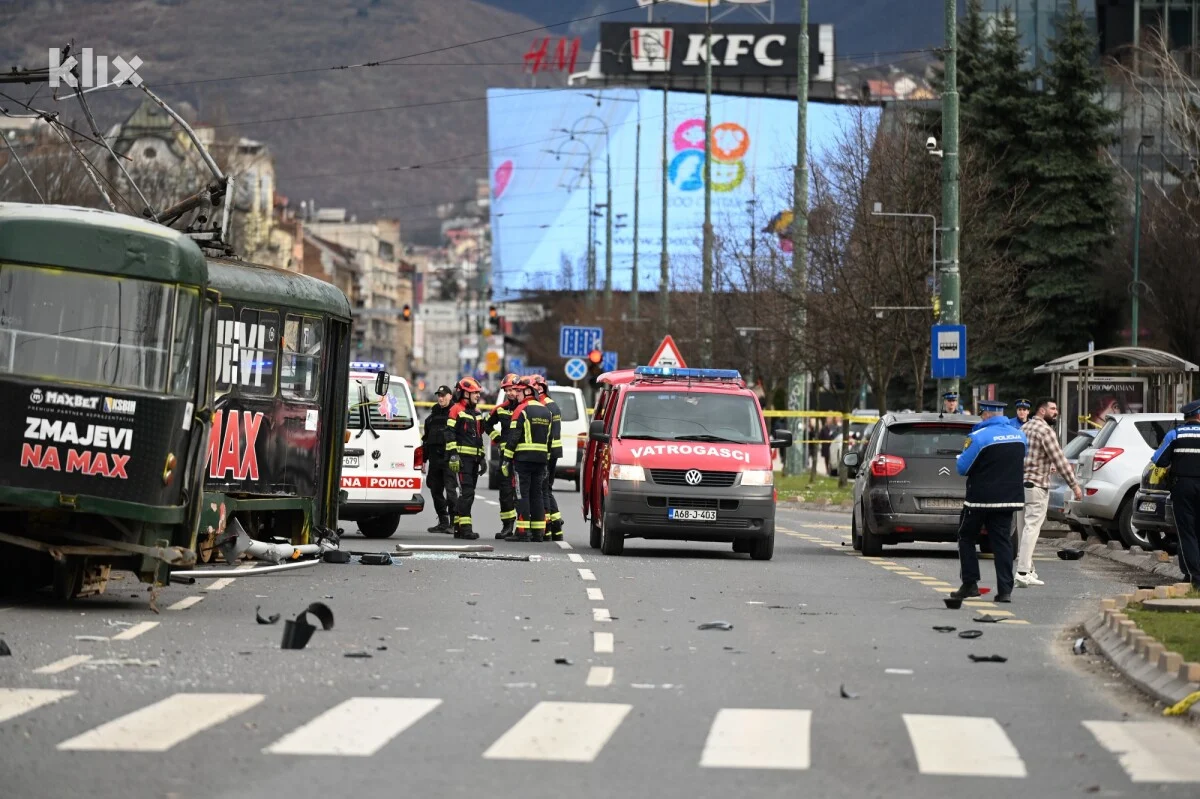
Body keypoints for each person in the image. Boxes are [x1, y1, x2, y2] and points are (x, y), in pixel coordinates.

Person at [953, 399, 1027, 603]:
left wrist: (960, 458)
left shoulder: (978, 437)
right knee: (1002, 542)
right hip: (1009, 499)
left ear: (986, 414)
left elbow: (962, 468)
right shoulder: (1020, 436)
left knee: (966, 537)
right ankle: (1005, 591)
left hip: (980, 500)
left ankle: (970, 583)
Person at [1015, 397, 1081, 587]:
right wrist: (1074, 485)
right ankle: (1021, 571)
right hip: (1037, 486)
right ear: (1042, 411)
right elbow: (1059, 459)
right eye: (1052, 409)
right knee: (1032, 530)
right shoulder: (1046, 431)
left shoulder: (1024, 428)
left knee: (1023, 530)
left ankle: (1030, 569)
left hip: (1021, 484)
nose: (1056, 412)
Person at [1150, 400, 1200, 590]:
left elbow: (1159, 460)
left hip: (1183, 487)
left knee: (1187, 533)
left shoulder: (1175, 434)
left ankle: (1194, 577)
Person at [501, 377, 553, 542]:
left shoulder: (520, 410)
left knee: (522, 494)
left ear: (527, 391)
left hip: (523, 460)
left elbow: (514, 437)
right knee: (537, 494)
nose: (516, 394)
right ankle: (538, 533)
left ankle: (523, 532)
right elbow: (549, 439)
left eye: (518, 391)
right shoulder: (546, 411)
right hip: (541, 460)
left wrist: (506, 459)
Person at [446, 376, 485, 540]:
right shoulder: (456, 410)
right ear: (464, 394)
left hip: (474, 460)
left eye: (477, 393)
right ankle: (465, 529)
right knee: (466, 493)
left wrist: (482, 457)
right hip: (462, 460)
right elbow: (449, 434)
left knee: (469, 494)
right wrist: (454, 454)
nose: (477, 396)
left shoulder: (477, 413)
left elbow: (479, 437)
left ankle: (458, 527)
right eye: (474, 393)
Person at [485, 373, 522, 539]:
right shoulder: (500, 409)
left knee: (521, 491)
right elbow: (487, 424)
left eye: (513, 389)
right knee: (505, 491)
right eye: (507, 390)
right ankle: (507, 526)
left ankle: (523, 527)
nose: (510, 393)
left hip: (522, 457)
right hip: (505, 457)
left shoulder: (526, 408)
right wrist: (496, 437)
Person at [530, 375, 564, 541]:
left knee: (543, 489)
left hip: (548, 452)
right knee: (547, 488)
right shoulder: (552, 404)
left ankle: (550, 526)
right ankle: (555, 525)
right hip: (554, 451)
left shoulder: (544, 405)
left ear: (540, 388)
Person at [421, 385, 458, 534]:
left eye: (443, 395)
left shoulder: (455, 414)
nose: (441, 398)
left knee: (450, 492)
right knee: (435, 490)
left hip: (449, 459)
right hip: (435, 460)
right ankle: (443, 521)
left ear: (450, 396)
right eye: (439, 395)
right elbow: (426, 440)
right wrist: (423, 460)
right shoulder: (432, 417)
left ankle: (454, 523)